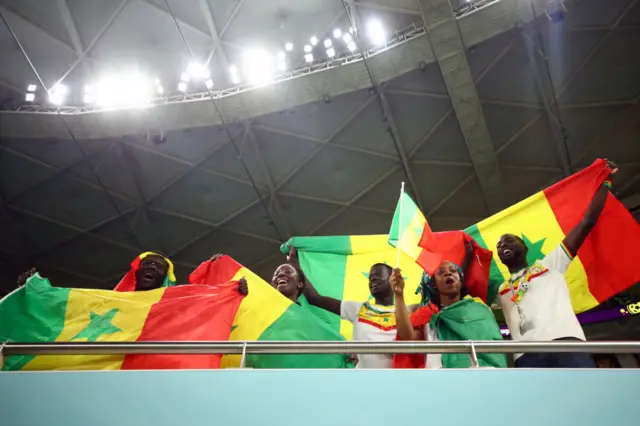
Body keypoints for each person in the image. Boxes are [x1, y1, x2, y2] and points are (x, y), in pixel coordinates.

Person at [495, 161, 618, 368]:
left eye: (509, 240)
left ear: (525, 248)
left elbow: (586, 222)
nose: (502, 245)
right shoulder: (500, 289)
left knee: (584, 396)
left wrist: (604, 182)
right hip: (526, 355)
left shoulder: (551, 263)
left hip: (565, 341)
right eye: (498, 245)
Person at [392, 258, 507, 369]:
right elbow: (408, 337)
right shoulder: (428, 315)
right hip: (438, 380)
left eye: (453, 271)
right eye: (441, 273)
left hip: (480, 375)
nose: (448, 274)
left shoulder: (480, 310)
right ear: (434, 284)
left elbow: (493, 349)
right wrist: (399, 295)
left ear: (461, 281)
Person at [295, 249, 396, 369]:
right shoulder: (359, 309)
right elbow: (314, 298)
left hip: (399, 380)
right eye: (370, 277)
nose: (372, 279)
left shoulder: (408, 311)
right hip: (362, 381)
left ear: (392, 278)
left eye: (378, 275)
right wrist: (295, 266)